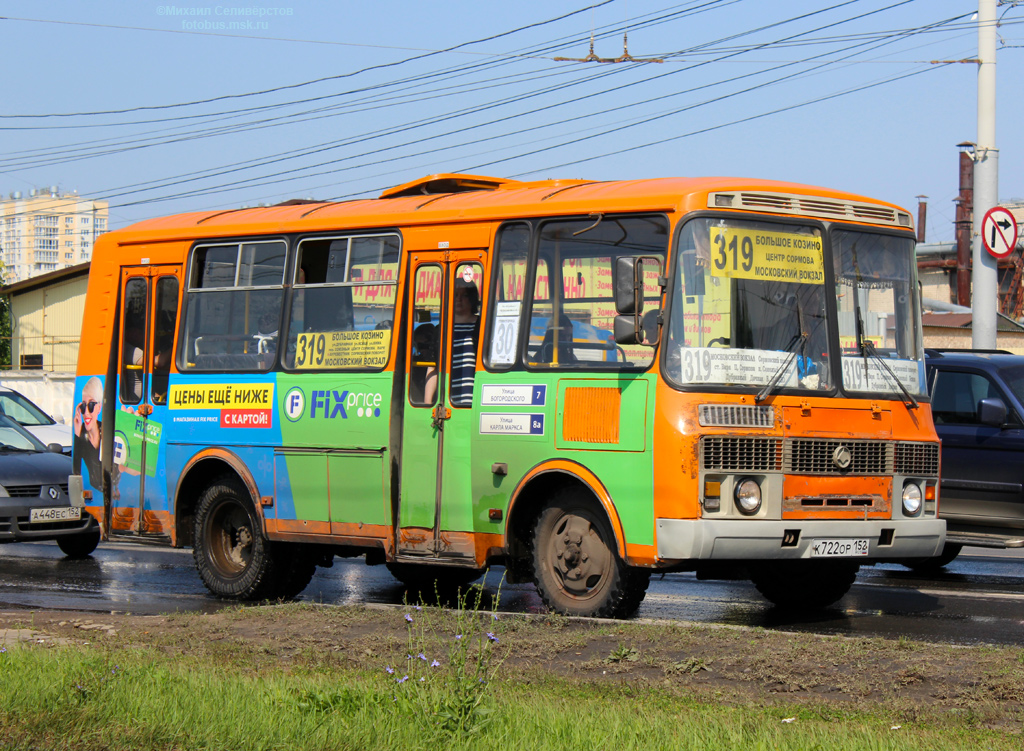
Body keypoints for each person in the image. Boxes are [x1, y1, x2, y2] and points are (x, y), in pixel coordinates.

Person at [449, 278, 480, 405]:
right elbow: (433, 368)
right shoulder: (442, 329)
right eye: (455, 295)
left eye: (464, 295)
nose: (458, 299)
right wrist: (428, 402)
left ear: (472, 299)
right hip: (448, 398)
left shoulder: (481, 326)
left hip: (474, 400)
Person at [72, 376, 104, 491]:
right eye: (83, 406)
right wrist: (76, 433)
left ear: (99, 408)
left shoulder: (109, 431)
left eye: (90, 405)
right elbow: (76, 473)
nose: (86, 412)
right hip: (94, 494)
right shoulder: (81, 437)